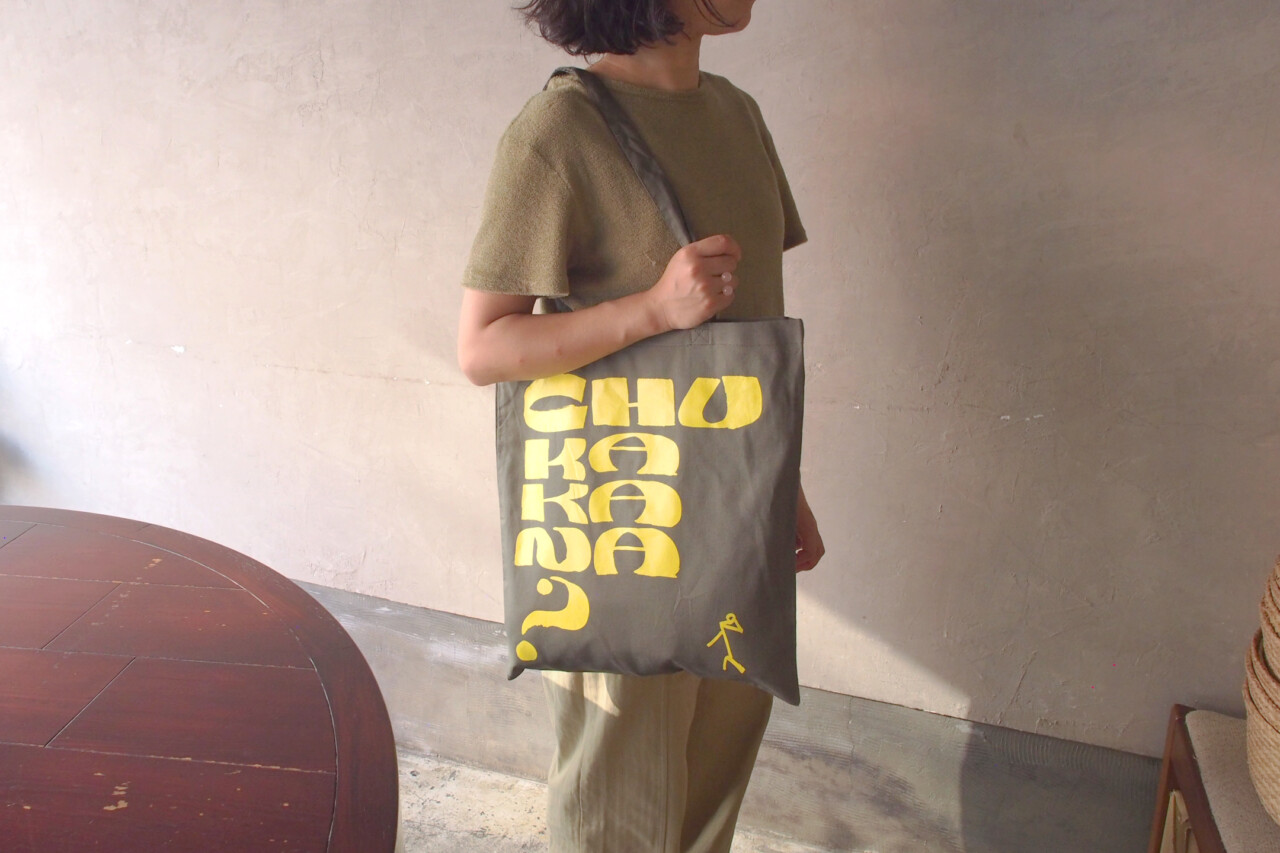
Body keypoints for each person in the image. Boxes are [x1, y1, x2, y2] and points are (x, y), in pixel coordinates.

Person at [456, 1, 823, 849]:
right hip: (625, 520)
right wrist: (655, 308)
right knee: (620, 801)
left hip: (736, 508)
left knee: (713, 782)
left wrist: (783, 484)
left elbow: (743, 341)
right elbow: (484, 348)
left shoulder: (737, 115)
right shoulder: (557, 132)